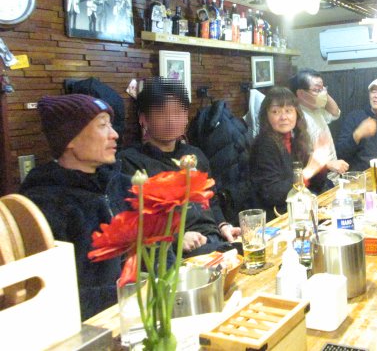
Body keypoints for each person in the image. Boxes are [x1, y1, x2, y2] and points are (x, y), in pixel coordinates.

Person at [20, 94, 131, 320]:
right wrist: (129, 295)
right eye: (102, 125)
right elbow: (53, 294)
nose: (114, 134)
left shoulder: (122, 185)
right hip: (93, 324)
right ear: (69, 139)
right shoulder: (44, 204)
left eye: (111, 124)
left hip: (141, 308)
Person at [118, 78, 240, 257]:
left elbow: (211, 200)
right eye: (162, 113)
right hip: (174, 256)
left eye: (178, 112)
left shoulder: (194, 155)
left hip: (215, 242)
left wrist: (223, 225)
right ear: (143, 118)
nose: (171, 120)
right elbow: (134, 220)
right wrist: (175, 239)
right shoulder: (131, 162)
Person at [249, 87, 325, 219]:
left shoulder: (295, 141)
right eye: (276, 112)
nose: (283, 117)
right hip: (274, 218)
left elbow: (316, 185)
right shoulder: (264, 145)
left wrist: (321, 164)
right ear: (266, 116)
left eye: (288, 111)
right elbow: (272, 194)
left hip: (297, 212)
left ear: (297, 113)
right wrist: (307, 173)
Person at [290, 68, 348, 191]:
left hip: (332, 177)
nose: (322, 93)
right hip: (315, 182)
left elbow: (335, 113)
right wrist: (328, 165)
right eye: (316, 90)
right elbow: (300, 158)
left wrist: (322, 92)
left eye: (323, 89)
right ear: (301, 93)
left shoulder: (316, 108)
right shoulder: (296, 118)